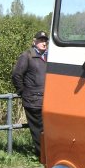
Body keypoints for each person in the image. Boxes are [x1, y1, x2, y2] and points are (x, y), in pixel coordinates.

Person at [11, 31, 48, 160]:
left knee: (48, 129)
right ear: (34, 41)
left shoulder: (49, 56)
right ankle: (41, 157)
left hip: (48, 99)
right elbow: (16, 75)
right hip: (33, 100)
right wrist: (23, 92)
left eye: (45, 40)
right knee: (38, 130)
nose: (44, 43)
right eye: (40, 40)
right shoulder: (27, 56)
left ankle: (48, 155)